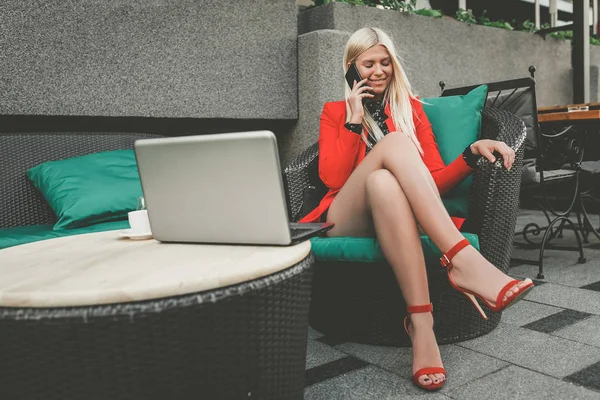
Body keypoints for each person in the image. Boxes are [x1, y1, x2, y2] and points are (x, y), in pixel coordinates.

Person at [299, 27, 534, 391]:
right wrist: (354, 119)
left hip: (396, 216)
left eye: (384, 62)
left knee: (384, 183)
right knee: (392, 147)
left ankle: (421, 326)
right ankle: (463, 259)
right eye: (367, 64)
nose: (378, 71)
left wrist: (470, 153)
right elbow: (332, 178)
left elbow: (435, 181)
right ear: (351, 69)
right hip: (347, 218)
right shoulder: (335, 112)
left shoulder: (411, 110)